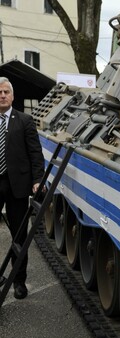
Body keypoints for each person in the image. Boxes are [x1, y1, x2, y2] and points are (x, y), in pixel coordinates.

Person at [0, 78, 44, 299]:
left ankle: (19, 281)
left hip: (18, 185)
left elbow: (36, 153)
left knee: (19, 236)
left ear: (13, 95)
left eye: (6, 91)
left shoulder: (25, 120)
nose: (2, 95)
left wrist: (38, 180)